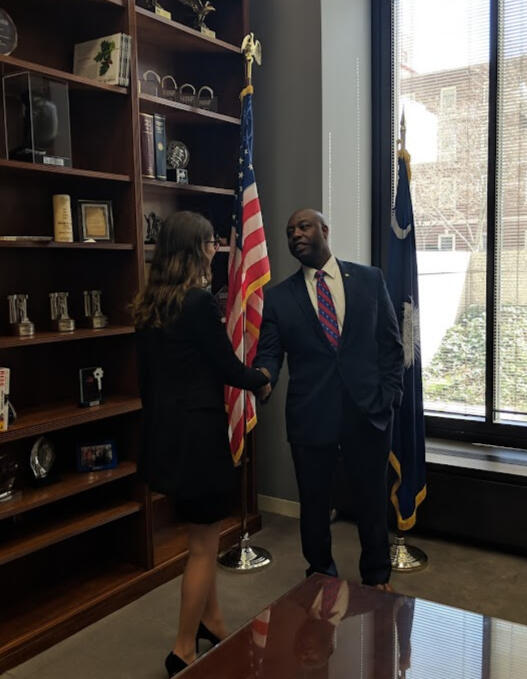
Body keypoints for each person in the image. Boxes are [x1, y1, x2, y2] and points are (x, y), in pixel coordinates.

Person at [133, 211, 269, 677]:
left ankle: (212, 621)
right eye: (211, 243)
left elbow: (147, 383)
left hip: (166, 440)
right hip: (199, 441)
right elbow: (227, 367)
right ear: (194, 249)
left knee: (200, 539)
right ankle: (183, 650)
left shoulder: (148, 307)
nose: (217, 250)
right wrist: (262, 379)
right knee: (204, 547)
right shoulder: (197, 303)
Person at [254, 208, 404, 588]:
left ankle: (376, 576)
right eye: (290, 231)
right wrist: (264, 377)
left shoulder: (369, 280)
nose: (296, 234)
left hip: (368, 412)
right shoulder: (278, 298)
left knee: (371, 501)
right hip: (311, 415)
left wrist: (389, 397)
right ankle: (320, 576)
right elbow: (269, 353)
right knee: (315, 505)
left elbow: (390, 344)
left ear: (324, 230)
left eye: (303, 227)